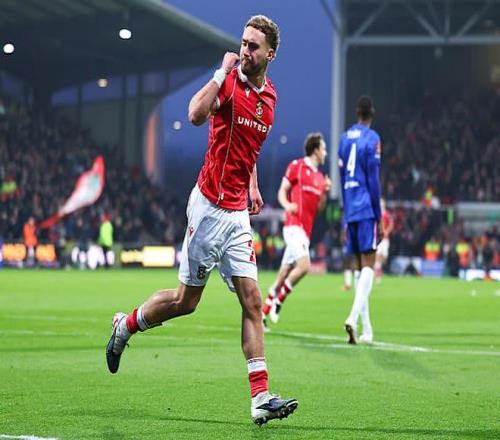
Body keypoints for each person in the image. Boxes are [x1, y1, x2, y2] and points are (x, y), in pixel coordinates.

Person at [106, 15, 298, 425]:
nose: (245, 51)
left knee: (253, 301)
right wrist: (220, 72)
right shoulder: (228, 83)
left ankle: (260, 397)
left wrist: (253, 184)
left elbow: (249, 146)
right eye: (243, 43)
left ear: (270, 54)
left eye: (253, 46)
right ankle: (126, 325)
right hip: (209, 208)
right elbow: (195, 114)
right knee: (185, 302)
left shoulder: (270, 98)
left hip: (237, 215)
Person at [262, 133, 331, 326]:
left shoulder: (320, 178)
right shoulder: (297, 166)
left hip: (305, 232)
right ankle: (278, 301)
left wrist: (325, 192)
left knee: (284, 272)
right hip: (293, 226)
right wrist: (287, 205)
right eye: (324, 149)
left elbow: (319, 208)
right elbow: (282, 191)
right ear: (316, 150)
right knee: (304, 266)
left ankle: (263, 313)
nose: (325, 153)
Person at [338, 95, 382, 345]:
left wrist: (345, 215)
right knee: (368, 265)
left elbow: (342, 178)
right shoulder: (372, 138)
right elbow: (373, 181)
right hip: (366, 207)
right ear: (371, 115)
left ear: (357, 113)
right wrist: (379, 216)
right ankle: (353, 318)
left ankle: (367, 330)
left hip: (350, 207)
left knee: (358, 267)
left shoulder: (344, 139)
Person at [374, 199, 393, 282]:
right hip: (378, 238)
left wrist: (387, 231)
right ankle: (377, 273)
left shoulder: (387, 214)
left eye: (381, 203)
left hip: (385, 239)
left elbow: (391, 224)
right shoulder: (376, 214)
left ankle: (378, 269)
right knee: (377, 255)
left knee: (384, 257)